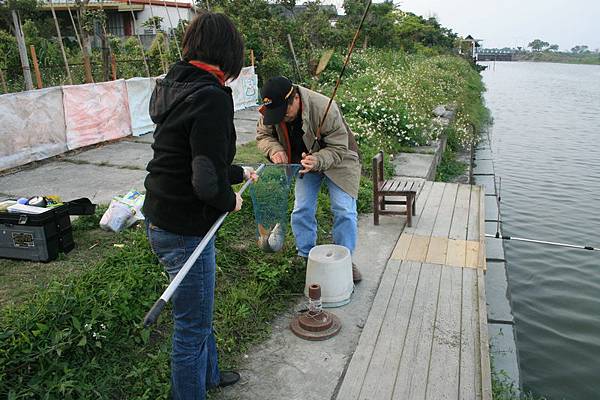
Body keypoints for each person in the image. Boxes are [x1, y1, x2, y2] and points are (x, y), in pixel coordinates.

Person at [142, 12, 256, 400]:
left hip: (161, 216)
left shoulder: (176, 83)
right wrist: (231, 200)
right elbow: (207, 182)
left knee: (200, 309)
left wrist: (237, 173)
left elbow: (192, 155)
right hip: (185, 227)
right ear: (228, 54)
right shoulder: (210, 96)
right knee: (192, 325)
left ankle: (209, 375)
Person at [255, 76, 363, 282]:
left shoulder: (324, 108)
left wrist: (318, 160)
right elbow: (263, 136)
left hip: (339, 160)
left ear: (295, 98)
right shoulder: (272, 110)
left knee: (344, 210)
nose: (281, 118)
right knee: (301, 209)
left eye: (284, 112)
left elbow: (340, 147)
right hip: (303, 164)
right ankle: (306, 256)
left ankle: (345, 260)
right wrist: (274, 150)